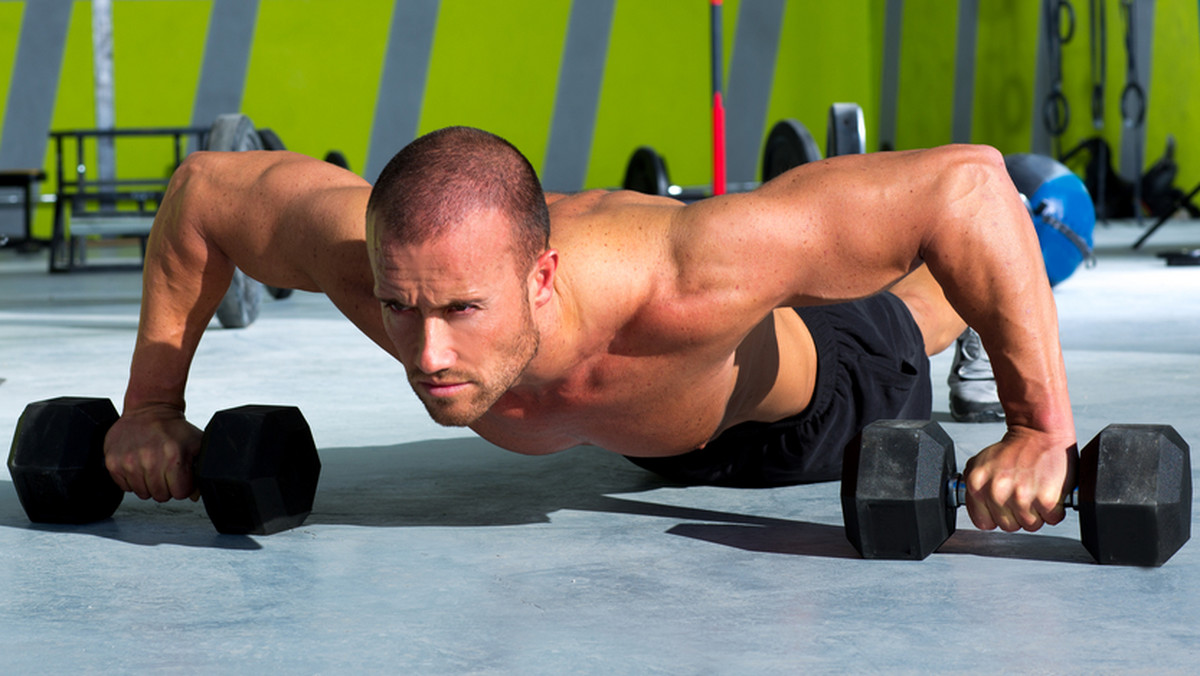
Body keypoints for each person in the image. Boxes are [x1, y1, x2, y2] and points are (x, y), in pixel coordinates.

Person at [105, 126, 1077, 535]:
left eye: (460, 311)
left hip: (807, 405)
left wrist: (1039, 430)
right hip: (641, 424)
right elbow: (203, 194)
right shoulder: (367, 260)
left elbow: (964, 184)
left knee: (907, 309)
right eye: (402, 308)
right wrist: (152, 407)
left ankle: (1046, 240)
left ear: (542, 278)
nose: (426, 355)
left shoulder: (686, 272)